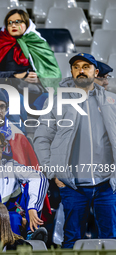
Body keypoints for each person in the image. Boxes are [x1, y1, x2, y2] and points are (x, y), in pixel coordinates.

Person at [33, 53, 116, 248]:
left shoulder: (111, 101)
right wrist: (53, 173)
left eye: (86, 66)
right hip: (73, 185)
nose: (81, 70)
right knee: (71, 240)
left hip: (107, 184)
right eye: (76, 66)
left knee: (111, 239)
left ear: (95, 72)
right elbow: (41, 139)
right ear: (71, 72)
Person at [0, 130, 49, 240]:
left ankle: (31, 233)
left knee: (30, 189)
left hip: (16, 211)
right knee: (12, 219)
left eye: (0, 147)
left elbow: (40, 178)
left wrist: (32, 208)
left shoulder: (10, 166)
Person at [0, 9, 61, 109]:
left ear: (27, 24)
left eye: (18, 22)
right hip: (9, 89)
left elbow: (54, 73)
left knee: (47, 99)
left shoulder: (38, 43)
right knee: (17, 98)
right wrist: (17, 76)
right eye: (10, 23)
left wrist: (39, 78)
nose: (13, 25)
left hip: (35, 90)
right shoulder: (1, 45)